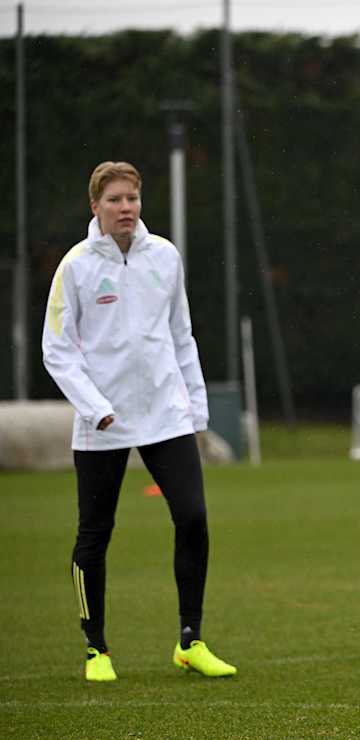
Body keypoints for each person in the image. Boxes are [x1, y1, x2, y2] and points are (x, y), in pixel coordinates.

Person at [42, 161, 236, 682]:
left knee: (193, 518)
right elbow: (56, 351)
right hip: (102, 422)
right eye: (115, 200)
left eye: (132, 198)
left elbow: (181, 335)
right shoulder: (76, 266)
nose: (126, 208)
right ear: (95, 207)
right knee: (95, 534)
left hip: (165, 416)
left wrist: (195, 408)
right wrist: (95, 406)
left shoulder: (164, 257)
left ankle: (190, 641)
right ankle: (95, 648)